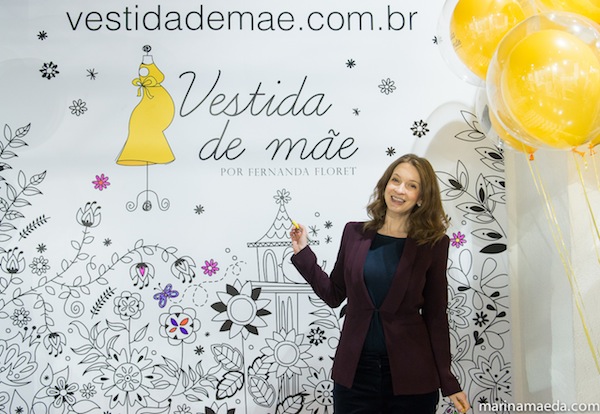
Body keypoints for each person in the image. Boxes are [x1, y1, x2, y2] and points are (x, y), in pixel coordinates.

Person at [290, 154, 470, 414]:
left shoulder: (433, 244)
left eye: (411, 185)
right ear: (386, 185)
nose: (400, 190)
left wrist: (448, 380)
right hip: (355, 376)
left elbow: (435, 316)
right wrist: (303, 254)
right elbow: (334, 294)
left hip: (412, 375)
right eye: (395, 180)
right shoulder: (354, 233)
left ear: (421, 197)